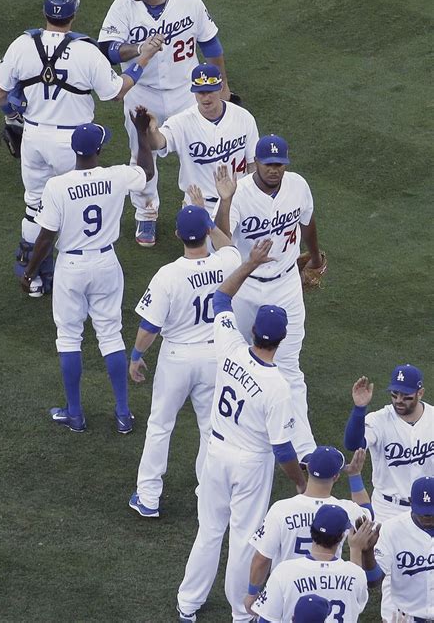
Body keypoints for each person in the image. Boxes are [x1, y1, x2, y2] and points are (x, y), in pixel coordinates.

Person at [0, 0, 163, 295]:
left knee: (35, 205)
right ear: (74, 13)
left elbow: (1, 91)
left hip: (33, 137)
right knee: (75, 205)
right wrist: (144, 58)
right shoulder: (86, 51)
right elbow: (117, 91)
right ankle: (73, 274)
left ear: (45, 11)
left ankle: (35, 277)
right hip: (74, 144)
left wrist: (12, 117)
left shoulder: (21, 45)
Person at [176, 239, 306, 623]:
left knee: (209, 531)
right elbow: (283, 450)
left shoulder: (231, 346)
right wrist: (300, 483)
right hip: (250, 464)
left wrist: (249, 263)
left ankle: (187, 604)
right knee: (244, 540)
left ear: (254, 332)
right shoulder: (278, 385)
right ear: (280, 340)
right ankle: (240, 613)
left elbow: (220, 298)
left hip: (216, 453)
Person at [19, 117, 154, 433]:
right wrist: (142, 132)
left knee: (68, 337)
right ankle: (122, 413)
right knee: (110, 334)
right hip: (106, 263)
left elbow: (45, 237)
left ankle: (75, 414)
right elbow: (146, 172)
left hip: (72, 267)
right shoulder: (116, 176)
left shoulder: (57, 186)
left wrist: (29, 272)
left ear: (75, 150)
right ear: (99, 149)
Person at [98, 0, 231, 247]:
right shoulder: (123, 6)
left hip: (188, 93)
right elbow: (106, 48)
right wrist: (138, 49)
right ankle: (146, 212)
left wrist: (223, 86)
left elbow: (211, 43)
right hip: (141, 93)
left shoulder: (189, 0)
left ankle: (196, 210)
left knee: (200, 151)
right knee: (142, 152)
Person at [213, 136, 325, 460]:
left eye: (280, 164)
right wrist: (225, 200)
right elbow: (220, 238)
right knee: (233, 358)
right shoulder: (240, 193)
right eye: (269, 164)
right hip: (245, 284)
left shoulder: (298, 186)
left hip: (286, 282)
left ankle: (304, 452)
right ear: (256, 163)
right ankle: (234, 424)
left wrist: (315, 259)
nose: (275, 170)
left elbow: (308, 222)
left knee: (289, 366)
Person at [128, 201, 241, 517]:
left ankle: (149, 497)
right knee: (210, 428)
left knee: (160, 426)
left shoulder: (168, 275)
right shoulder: (226, 263)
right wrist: (209, 218)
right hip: (215, 356)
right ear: (205, 233)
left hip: (177, 356)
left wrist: (137, 355)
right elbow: (228, 245)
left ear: (177, 234)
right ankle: (208, 495)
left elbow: (149, 326)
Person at [344, 364, 433, 621]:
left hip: (430, 505)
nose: (399, 401)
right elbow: (352, 443)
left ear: (420, 392)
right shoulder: (379, 420)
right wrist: (360, 409)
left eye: (406, 396)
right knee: (390, 571)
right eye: (394, 394)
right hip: (388, 506)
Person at [244, 445, 373, 614]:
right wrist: (355, 475)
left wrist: (252, 593)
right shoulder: (345, 510)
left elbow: (261, 559)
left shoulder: (281, 509)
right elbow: (369, 516)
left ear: (307, 468)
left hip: (286, 589)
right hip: (330, 590)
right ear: (335, 477)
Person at [130, 63, 257, 215]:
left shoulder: (243, 117)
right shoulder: (182, 122)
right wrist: (150, 131)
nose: (206, 97)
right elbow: (159, 143)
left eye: (210, 91)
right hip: (198, 203)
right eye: (200, 92)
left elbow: (253, 164)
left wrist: (253, 197)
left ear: (221, 87)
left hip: (237, 201)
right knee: (197, 240)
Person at [251, 504, 379, 623]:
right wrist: (356, 549)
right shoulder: (356, 574)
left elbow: (266, 620)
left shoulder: (283, 572)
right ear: (341, 537)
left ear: (311, 530)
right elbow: (358, 592)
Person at [374, 476, 434, 623]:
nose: (428, 517)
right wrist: (365, 552)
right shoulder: (392, 529)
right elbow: (374, 580)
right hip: (404, 618)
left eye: (432, 513)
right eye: (423, 512)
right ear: (410, 502)